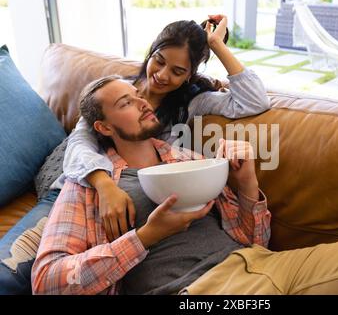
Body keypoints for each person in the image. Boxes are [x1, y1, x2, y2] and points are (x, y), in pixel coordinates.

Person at [31, 76, 338, 295]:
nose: (142, 101)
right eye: (126, 103)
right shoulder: (89, 185)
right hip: (196, 291)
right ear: (103, 126)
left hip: (264, 267)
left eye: (136, 95)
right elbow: (48, 281)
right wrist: (144, 237)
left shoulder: (190, 160)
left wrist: (247, 182)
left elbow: (255, 239)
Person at [0, 15, 269, 294]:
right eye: (160, 60)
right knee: (9, 274)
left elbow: (254, 100)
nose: (163, 75)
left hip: (135, 214)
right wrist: (104, 186)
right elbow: (78, 145)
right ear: (151, 51)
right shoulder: (112, 90)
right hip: (75, 187)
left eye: (177, 71)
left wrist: (217, 45)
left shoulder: (189, 103)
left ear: (189, 75)